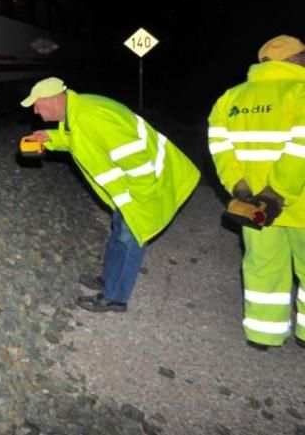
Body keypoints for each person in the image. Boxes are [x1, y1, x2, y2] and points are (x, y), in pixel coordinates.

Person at [21, 77, 200, 313]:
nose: (35, 110)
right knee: (120, 232)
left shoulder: (91, 115)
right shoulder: (77, 111)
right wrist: (50, 138)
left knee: (129, 238)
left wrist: (141, 197)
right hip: (130, 187)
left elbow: (135, 158)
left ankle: (115, 298)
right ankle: (108, 280)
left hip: (146, 184)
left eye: (37, 104)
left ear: (53, 99)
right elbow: (81, 141)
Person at [207, 34, 305, 351]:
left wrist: (240, 188)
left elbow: (220, 149)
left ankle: (263, 334)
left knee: (262, 266)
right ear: (294, 59)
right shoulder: (300, 93)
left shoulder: (230, 98)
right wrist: (276, 193)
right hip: (298, 204)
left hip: (253, 206)